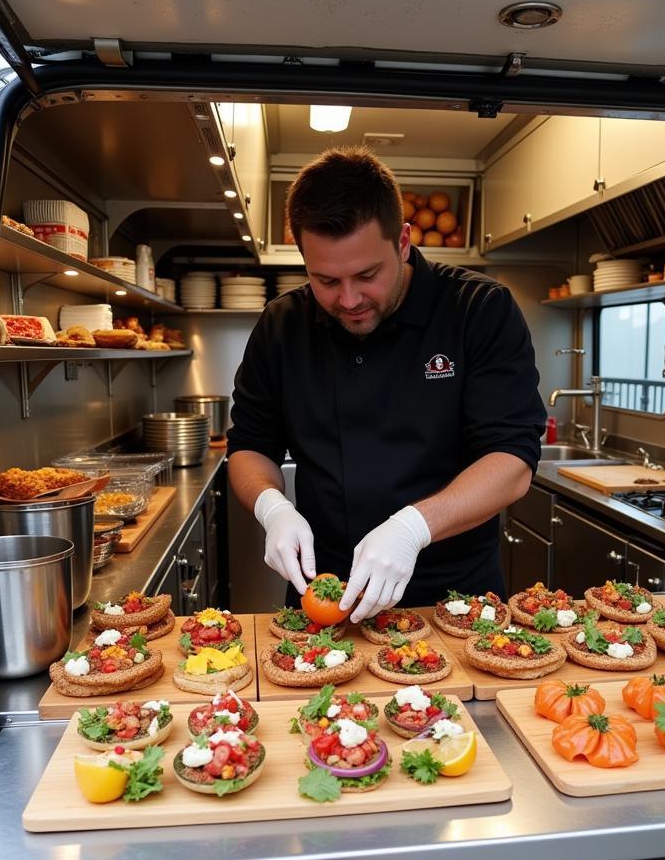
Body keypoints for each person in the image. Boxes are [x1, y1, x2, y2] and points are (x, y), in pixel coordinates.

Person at [227, 146, 546, 622]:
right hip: (325, 596)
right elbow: (250, 446)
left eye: (367, 275)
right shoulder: (282, 326)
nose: (349, 299)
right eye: (326, 280)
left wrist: (412, 527)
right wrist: (273, 508)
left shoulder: (479, 310)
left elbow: (512, 461)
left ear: (402, 241)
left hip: (455, 598)